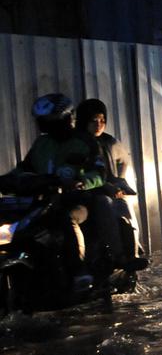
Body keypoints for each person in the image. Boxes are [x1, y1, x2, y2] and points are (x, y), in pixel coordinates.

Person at [5, 93, 108, 286]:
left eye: (51, 122)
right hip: (42, 202)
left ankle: (79, 271)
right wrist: (7, 180)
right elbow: (24, 169)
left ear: (67, 119)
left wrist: (81, 182)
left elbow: (99, 174)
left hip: (75, 201)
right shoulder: (41, 144)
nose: (46, 127)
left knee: (66, 218)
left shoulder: (86, 142)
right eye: (43, 122)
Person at [75, 99, 145, 266]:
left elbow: (123, 161)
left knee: (123, 208)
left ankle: (128, 254)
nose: (98, 125)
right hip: (83, 194)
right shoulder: (76, 143)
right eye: (94, 121)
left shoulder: (109, 142)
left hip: (108, 191)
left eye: (102, 120)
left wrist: (119, 182)